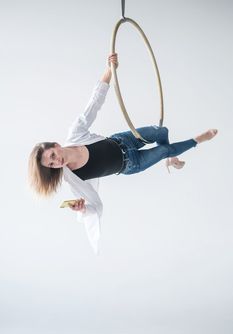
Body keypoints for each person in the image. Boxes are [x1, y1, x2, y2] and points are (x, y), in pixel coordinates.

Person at [28, 53, 218, 254]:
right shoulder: (73, 178)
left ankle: (172, 159)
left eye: (52, 156)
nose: (56, 162)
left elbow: (94, 103)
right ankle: (197, 140)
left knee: (160, 132)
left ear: (56, 145)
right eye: (51, 165)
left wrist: (110, 69)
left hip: (123, 140)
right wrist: (82, 209)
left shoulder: (75, 133)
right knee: (164, 150)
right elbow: (95, 206)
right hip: (131, 164)